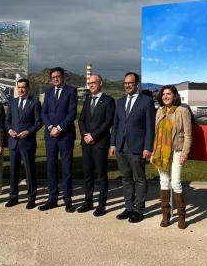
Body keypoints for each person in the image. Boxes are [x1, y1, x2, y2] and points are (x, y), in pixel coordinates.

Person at [110, 72, 155, 223]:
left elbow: (150, 127)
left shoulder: (146, 101)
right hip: (121, 146)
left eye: (130, 83)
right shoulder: (120, 102)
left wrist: (148, 147)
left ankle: (138, 210)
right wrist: (113, 143)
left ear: (137, 84)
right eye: (125, 83)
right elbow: (116, 125)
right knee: (126, 178)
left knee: (139, 179)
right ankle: (128, 207)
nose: (127, 85)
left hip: (138, 147)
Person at [151, 85, 192, 229]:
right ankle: (166, 215)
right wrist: (154, 152)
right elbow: (156, 134)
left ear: (175, 96)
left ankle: (181, 216)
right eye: (163, 94)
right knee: (163, 182)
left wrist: (184, 154)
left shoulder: (183, 111)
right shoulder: (159, 111)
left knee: (175, 182)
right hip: (161, 153)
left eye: (168, 94)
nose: (165, 96)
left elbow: (188, 135)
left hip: (176, 152)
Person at [39, 67, 78, 212]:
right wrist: (50, 127)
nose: (55, 78)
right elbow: (43, 112)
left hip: (65, 135)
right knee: (51, 167)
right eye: (53, 77)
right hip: (50, 136)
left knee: (66, 168)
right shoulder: (48, 92)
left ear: (63, 77)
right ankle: (52, 198)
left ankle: (68, 199)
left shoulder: (71, 91)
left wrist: (59, 128)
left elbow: (72, 113)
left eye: (58, 76)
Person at [77, 74, 115, 217]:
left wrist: (94, 136)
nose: (91, 85)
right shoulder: (87, 100)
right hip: (86, 143)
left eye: (94, 82)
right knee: (87, 173)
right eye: (89, 83)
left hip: (100, 143)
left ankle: (101, 204)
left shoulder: (108, 101)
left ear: (100, 83)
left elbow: (108, 122)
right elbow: (81, 121)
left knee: (101, 174)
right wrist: (85, 135)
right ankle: (88, 201)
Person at [5, 78, 43, 209]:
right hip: (13, 142)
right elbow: (7, 121)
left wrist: (28, 131)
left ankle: (31, 198)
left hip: (27, 142)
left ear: (28, 88)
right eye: (19, 87)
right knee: (13, 171)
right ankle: (13, 197)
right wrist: (9, 130)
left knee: (29, 171)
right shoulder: (12, 102)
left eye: (23, 87)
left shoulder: (34, 103)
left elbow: (39, 122)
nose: (21, 90)